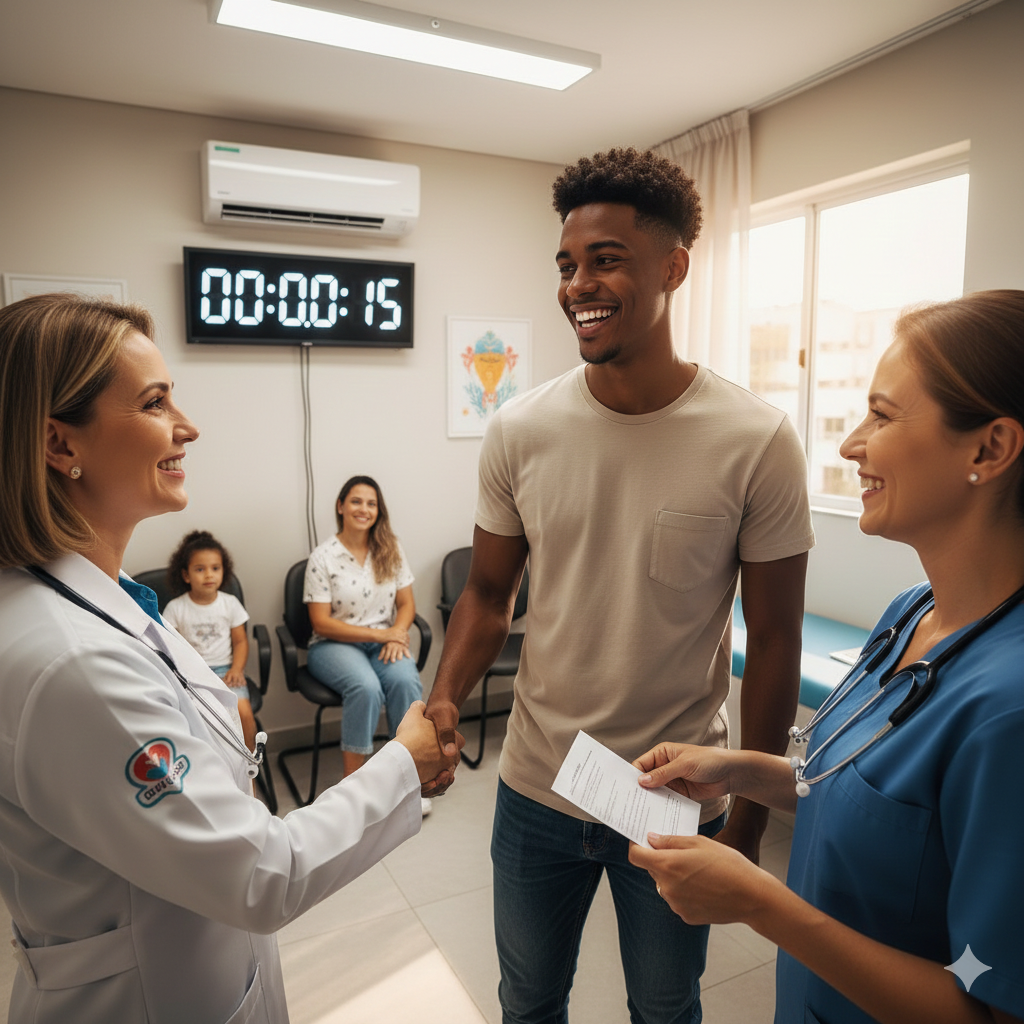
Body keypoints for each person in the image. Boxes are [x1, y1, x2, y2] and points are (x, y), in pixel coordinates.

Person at [424, 147, 815, 1024]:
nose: (577, 285)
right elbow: (489, 596)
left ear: (673, 267)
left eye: (606, 259)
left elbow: (777, 634)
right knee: (527, 1000)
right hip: (537, 784)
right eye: (567, 264)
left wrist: (748, 818)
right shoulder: (520, 428)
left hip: (673, 793)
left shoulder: (754, 440)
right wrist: (444, 695)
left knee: (666, 1007)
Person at [0, 293, 455, 1024]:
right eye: (155, 404)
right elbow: (260, 875)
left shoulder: (101, 600)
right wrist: (403, 761)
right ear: (60, 446)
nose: (189, 426)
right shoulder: (72, 663)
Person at [630, 291, 1024, 1024]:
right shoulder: (911, 613)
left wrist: (759, 902)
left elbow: (990, 1011)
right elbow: (871, 798)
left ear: (989, 448)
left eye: (881, 414)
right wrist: (742, 770)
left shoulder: (1009, 711)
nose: (851, 445)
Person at [304, 475, 431, 814]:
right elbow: (321, 622)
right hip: (332, 645)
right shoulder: (323, 557)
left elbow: (406, 605)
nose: (364, 509)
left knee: (405, 679)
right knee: (366, 687)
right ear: (341, 506)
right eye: (356, 501)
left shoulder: (390, 549)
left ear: (379, 510)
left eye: (371, 503)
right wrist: (382, 635)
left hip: (385, 641)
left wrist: (398, 633)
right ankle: (354, 788)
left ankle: (409, 781)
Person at [163, 529, 258, 751]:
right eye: (200, 569)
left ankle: (250, 761)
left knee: (243, 712)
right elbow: (169, 647)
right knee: (194, 717)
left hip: (226, 671)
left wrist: (237, 669)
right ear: (186, 575)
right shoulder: (175, 608)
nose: (209, 575)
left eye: (215, 568)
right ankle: (212, 763)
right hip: (191, 673)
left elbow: (240, 642)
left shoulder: (230, 603)